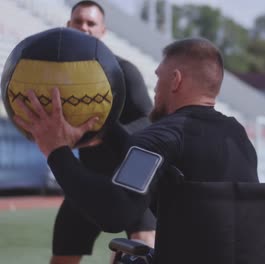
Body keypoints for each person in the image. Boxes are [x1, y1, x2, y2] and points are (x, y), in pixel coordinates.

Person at [13, 38, 259, 260]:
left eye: (159, 76)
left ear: (175, 80)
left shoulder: (161, 137)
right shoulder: (238, 137)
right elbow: (162, 155)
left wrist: (56, 152)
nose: (155, 88)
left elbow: (114, 212)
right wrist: (102, 131)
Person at [49, 1, 155, 263]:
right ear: (68, 26)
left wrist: (101, 134)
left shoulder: (124, 72)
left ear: (103, 31)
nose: (84, 27)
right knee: (63, 256)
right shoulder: (55, 77)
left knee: (142, 249)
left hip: (133, 182)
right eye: (78, 22)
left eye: (91, 23)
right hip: (87, 179)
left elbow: (149, 121)